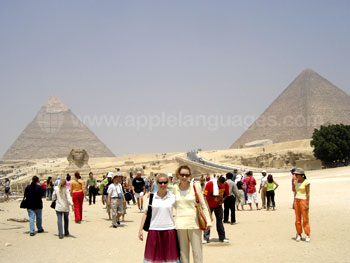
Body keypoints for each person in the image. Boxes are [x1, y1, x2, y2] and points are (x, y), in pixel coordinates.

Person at [173, 165, 212, 263]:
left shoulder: (196, 186)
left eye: (187, 175)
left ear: (190, 175)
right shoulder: (174, 188)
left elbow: (203, 205)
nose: (184, 177)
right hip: (180, 225)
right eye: (182, 175)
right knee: (183, 254)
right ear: (178, 175)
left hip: (194, 224)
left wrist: (208, 221)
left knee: (197, 253)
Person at [139, 174, 180, 263]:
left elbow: (181, 210)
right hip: (154, 230)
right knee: (154, 259)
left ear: (167, 183)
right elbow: (145, 214)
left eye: (165, 182)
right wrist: (140, 230)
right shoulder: (151, 198)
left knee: (170, 260)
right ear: (157, 183)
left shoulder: (172, 197)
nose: (163, 185)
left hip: (169, 230)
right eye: (160, 182)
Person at [203, 176, 229, 243]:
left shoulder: (225, 185)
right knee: (208, 221)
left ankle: (222, 237)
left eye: (222, 184)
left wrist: (223, 199)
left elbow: (226, 194)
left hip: (218, 205)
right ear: (217, 181)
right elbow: (205, 195)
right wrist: (214, 198)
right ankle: (206, 238)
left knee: (220, 221)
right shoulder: (210, 184)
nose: (220, 185)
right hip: (209, 205)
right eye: (219, 184)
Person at [293, 168, 310, 242]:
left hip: (303, 200)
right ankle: (299, 234)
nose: (295, 175)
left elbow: (308, 193)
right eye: (295, 174)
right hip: (297, 200)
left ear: (302, 175)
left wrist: (307, 204)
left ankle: (307, 234)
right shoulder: (295, 182)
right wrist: (293, 202)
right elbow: (295, 193)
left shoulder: (306, 182)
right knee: (297, 219)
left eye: (297, 174)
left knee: (305, 218)